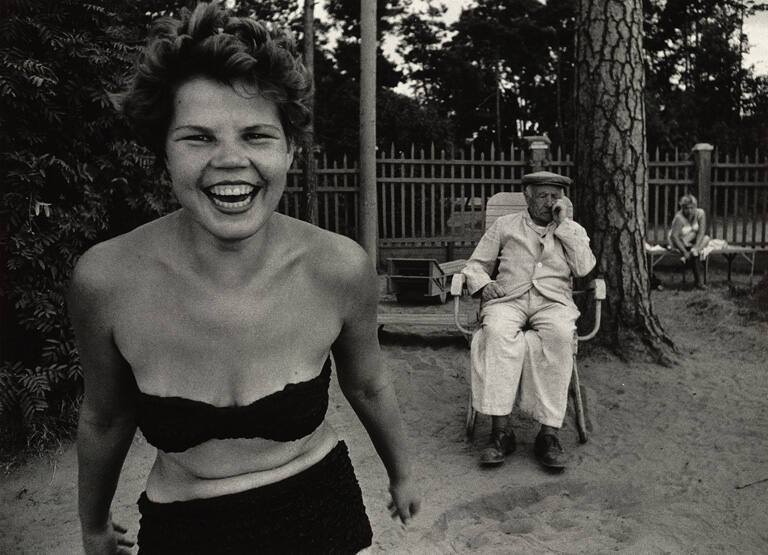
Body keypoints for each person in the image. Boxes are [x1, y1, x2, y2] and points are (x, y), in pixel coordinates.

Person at [67, 3, 419, 553]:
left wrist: (403, 473)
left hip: (321, 512)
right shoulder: (107, 280)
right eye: (199, 137)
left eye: (257, 135)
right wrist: (92, 526)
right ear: (164, 151)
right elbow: (105, 417)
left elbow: (369, 383)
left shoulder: (340, 268)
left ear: (290, 149)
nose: (231, 160)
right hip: (184, 526)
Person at [461, 171, 596, 471]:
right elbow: (475, 264)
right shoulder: (505, 225)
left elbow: (585, 267)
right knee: (495, 332)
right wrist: (484, 285)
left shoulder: (569, 229)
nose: (549, 203)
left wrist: (565, 227)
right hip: (509, 298)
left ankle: (548, 435)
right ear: (527, 196)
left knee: (560, 336)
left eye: (555, 197)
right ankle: (500, 433)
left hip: (554, 301)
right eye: (542, 196)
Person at [668, 194, 710, 289]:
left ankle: (693, 252)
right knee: (695, 250)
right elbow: (674, 236)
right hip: (680, 241)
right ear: (682, 208)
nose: (689, 211)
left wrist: (695, 247)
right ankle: (699, 282)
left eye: (692, 208)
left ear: (695, 207)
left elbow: (701, 231)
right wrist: (684, 251)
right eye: (687, 208)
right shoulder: (679, 217)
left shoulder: (700, 213)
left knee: (706, 239)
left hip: (693, 240)